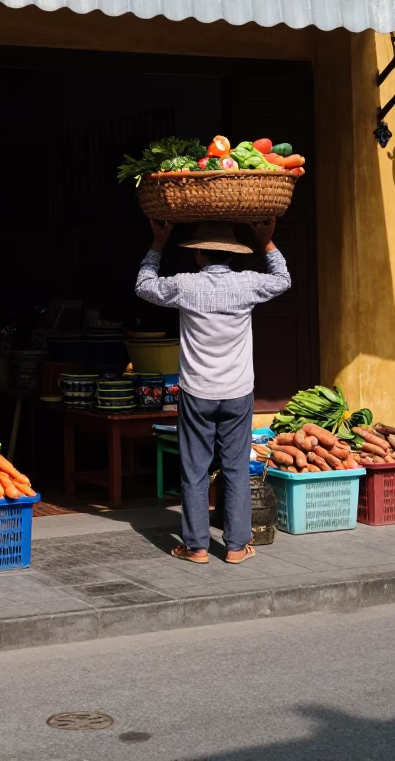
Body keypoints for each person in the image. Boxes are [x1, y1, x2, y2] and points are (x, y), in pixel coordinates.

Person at [135, 218, 291, 566]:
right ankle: (236, 546)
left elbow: (144, 285)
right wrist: (266, 241)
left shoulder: (185, 285)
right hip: (237, 391)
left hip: (197, 391)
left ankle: (196, 547)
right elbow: (283, 279)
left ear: (199, 255)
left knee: (195, 470)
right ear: (231, 255)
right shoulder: (248, 283)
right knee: (235, 467)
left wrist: (158, 242)